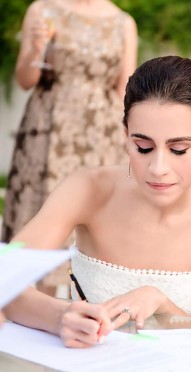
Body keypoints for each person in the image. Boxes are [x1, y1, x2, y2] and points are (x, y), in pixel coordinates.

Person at [4, 55, 191, 349]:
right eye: (143, 147)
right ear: (125, 135)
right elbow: (6, 277)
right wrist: (60, 317)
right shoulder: (87, 189)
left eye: (179, 149)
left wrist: (161, 304)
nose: (158, 167)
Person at [2, 0, 138, 295]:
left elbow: (125, 92)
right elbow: (25, 80)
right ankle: (32, 312)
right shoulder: (42, 10)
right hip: (48, 132)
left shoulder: (123, 23)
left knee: (95, 226)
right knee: (41, 219)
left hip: (100, 137)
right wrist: (36, 48)